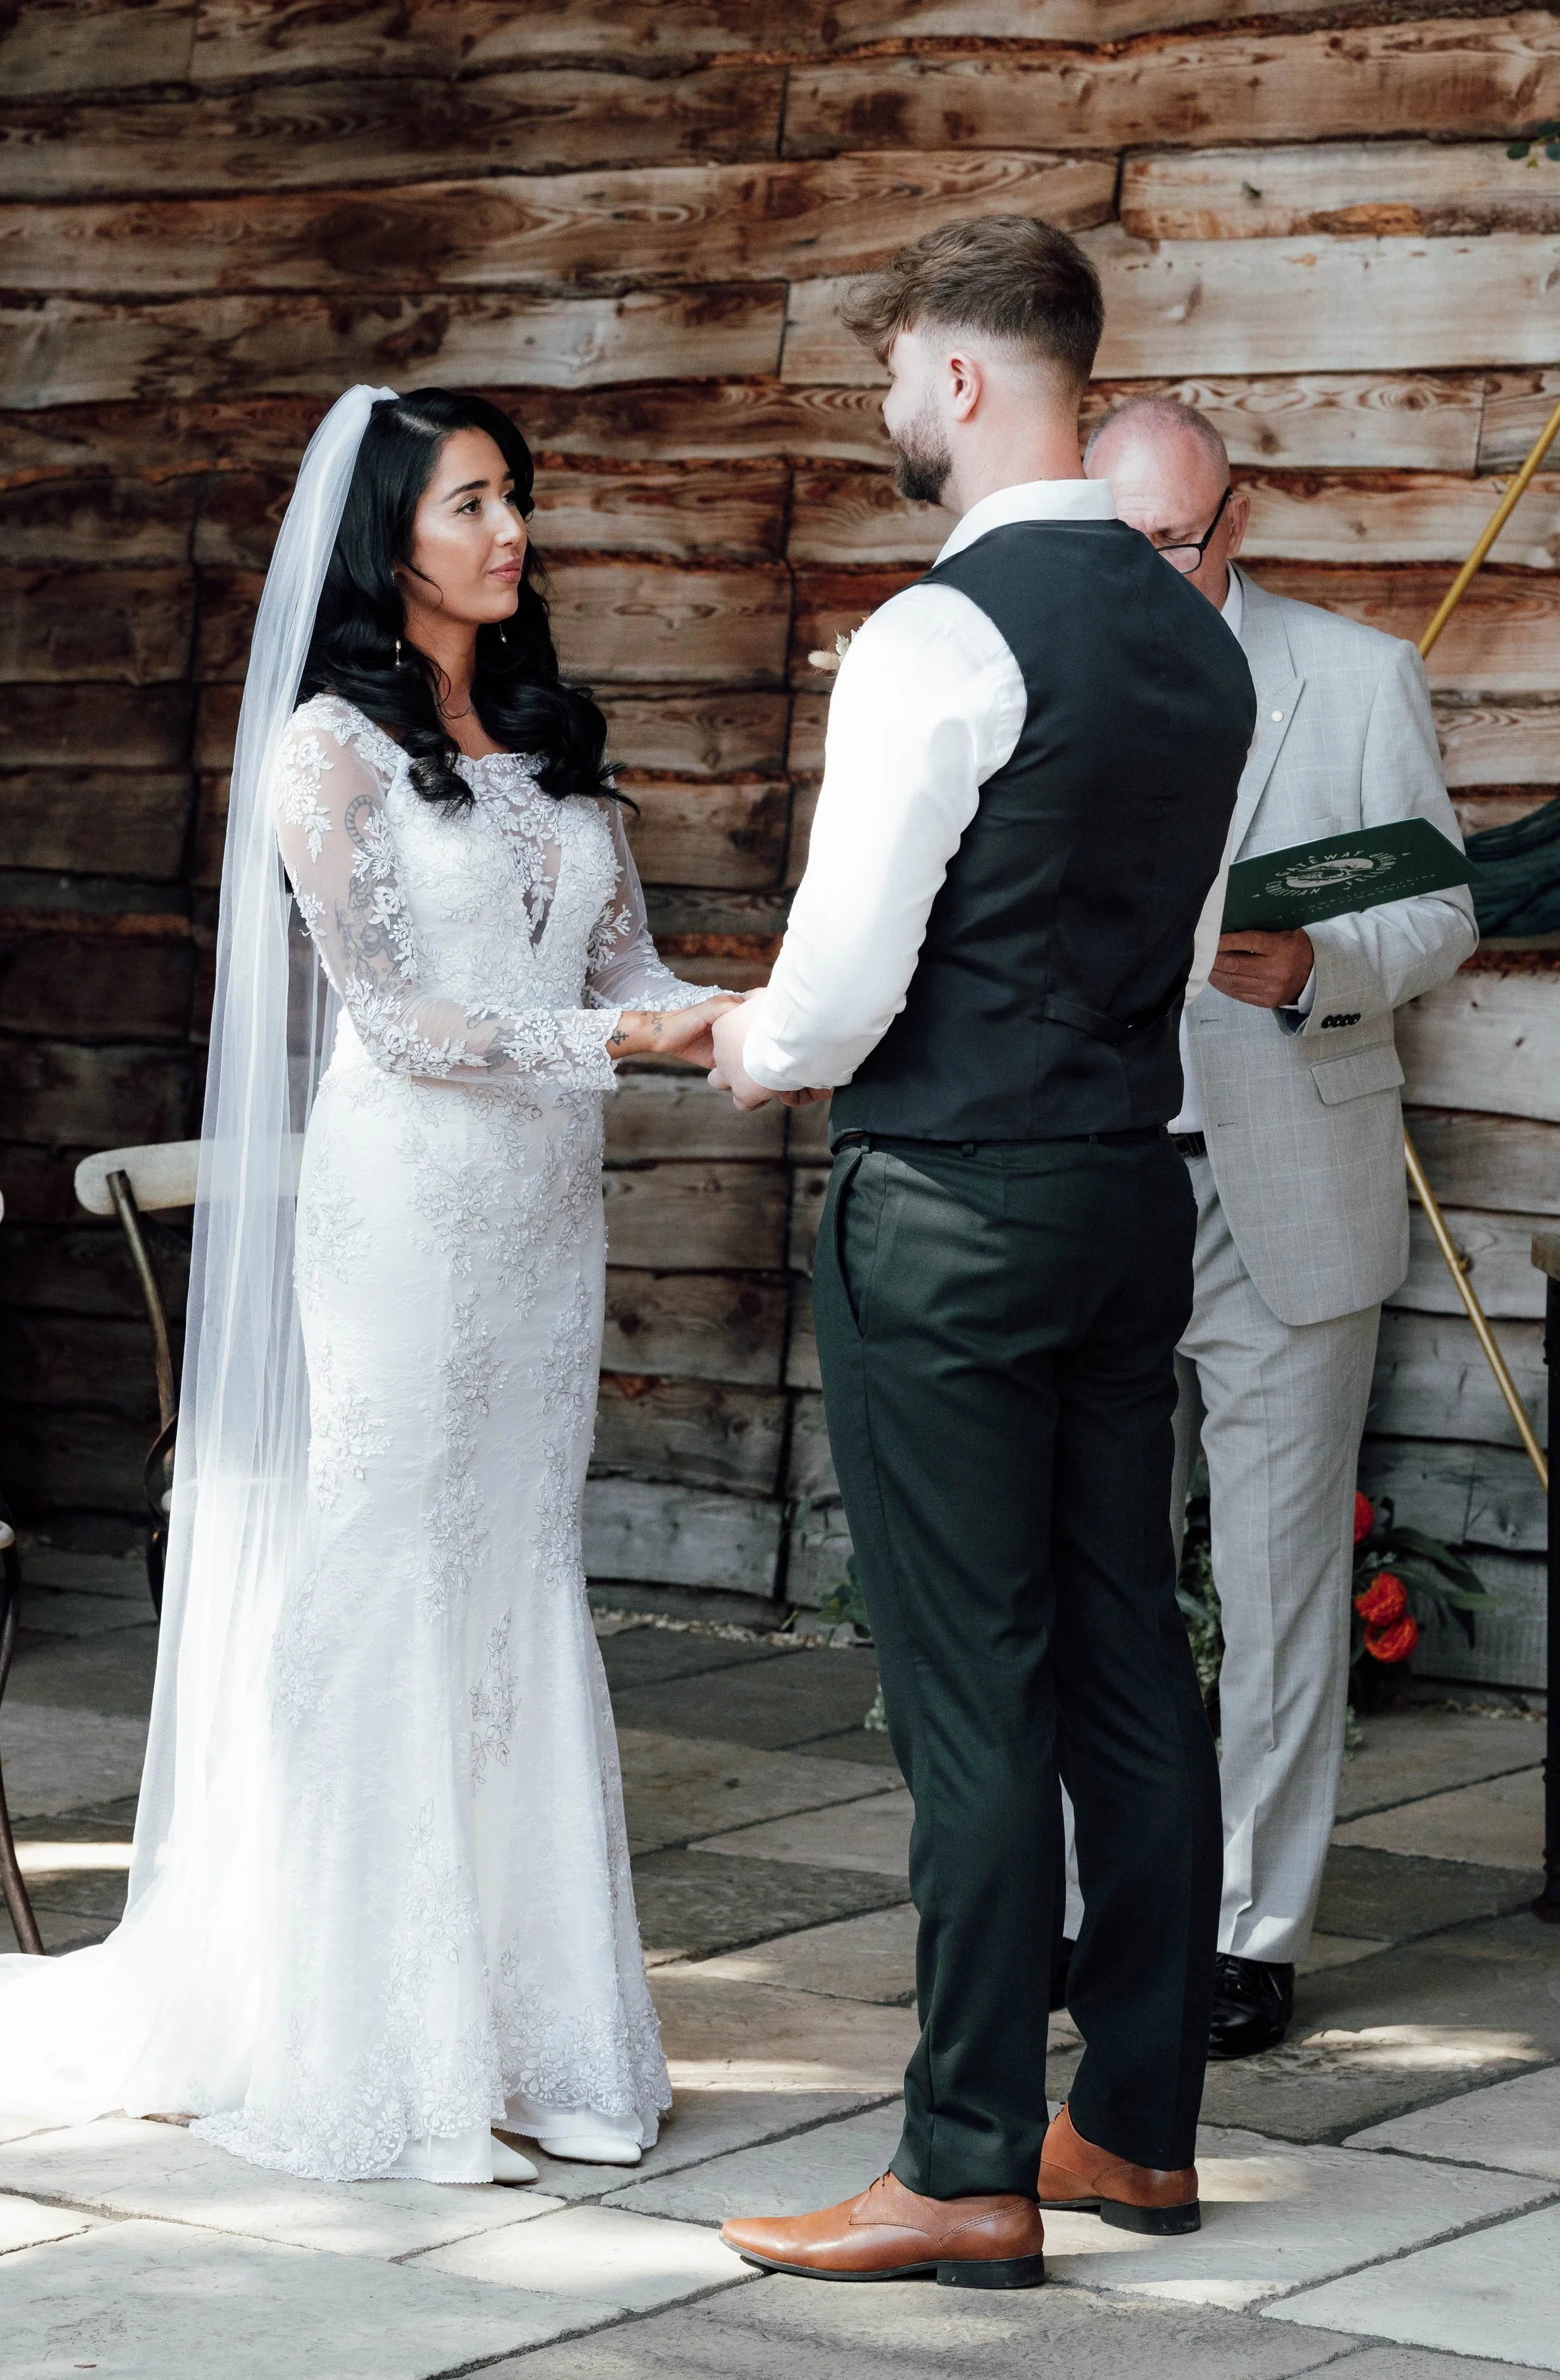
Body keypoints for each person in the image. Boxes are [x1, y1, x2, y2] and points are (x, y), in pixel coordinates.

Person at [0, 386, 738, 2187]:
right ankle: (370, 2036)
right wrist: (637, 1033)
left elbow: (623, 961)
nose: (510, 529)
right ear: (389, 542)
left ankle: (542, 2037)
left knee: (518, 1568)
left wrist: (745, 1019)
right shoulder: (326, 752)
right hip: (407, 1202)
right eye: (471, 502)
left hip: (542, 1210)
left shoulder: (552, 739)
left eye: (515, 498)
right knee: (390, 1563)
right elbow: (409, 1023)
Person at [706, 216, 1255, 2286]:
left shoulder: (939, 635)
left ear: (955, 378)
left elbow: (836, 998)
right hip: (1128, 1186)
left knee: (969, 1691)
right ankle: (1128, 2124)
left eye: (888, 373)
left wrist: (733, 1038)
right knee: (1127, 1658)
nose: (880, 410)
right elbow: (1183, 954)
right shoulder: (1199, 641)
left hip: (945, 1201)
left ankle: (957, 2157)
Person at [1080, 396, 1477, 2057]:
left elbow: (1436, 901)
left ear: (1235, 517)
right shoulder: (1038, 672)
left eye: (1181, 538)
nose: (1160, 573)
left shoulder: (1350, 673)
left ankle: (1250, 1930)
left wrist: (1323, 965)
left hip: (1285, 1185)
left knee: (1276, 1579)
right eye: (1125, 545)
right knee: (1087, 1571)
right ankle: (1088, 1910)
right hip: (1089, 1181)